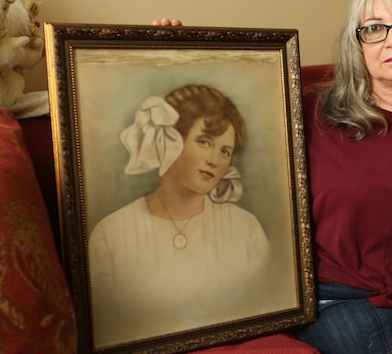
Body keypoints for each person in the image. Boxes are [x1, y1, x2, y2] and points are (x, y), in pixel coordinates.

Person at [154, 0, 392, 354]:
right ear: (357, 44)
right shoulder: (313, 113)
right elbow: (224, 109)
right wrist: (174, 54)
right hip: (346, 299)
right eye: (374, 27)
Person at [88, 84, 271, 348]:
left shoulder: (246, 228)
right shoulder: (110, 234)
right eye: (204, 142)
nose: (215, 160)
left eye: (225, 151)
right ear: (170, 140)